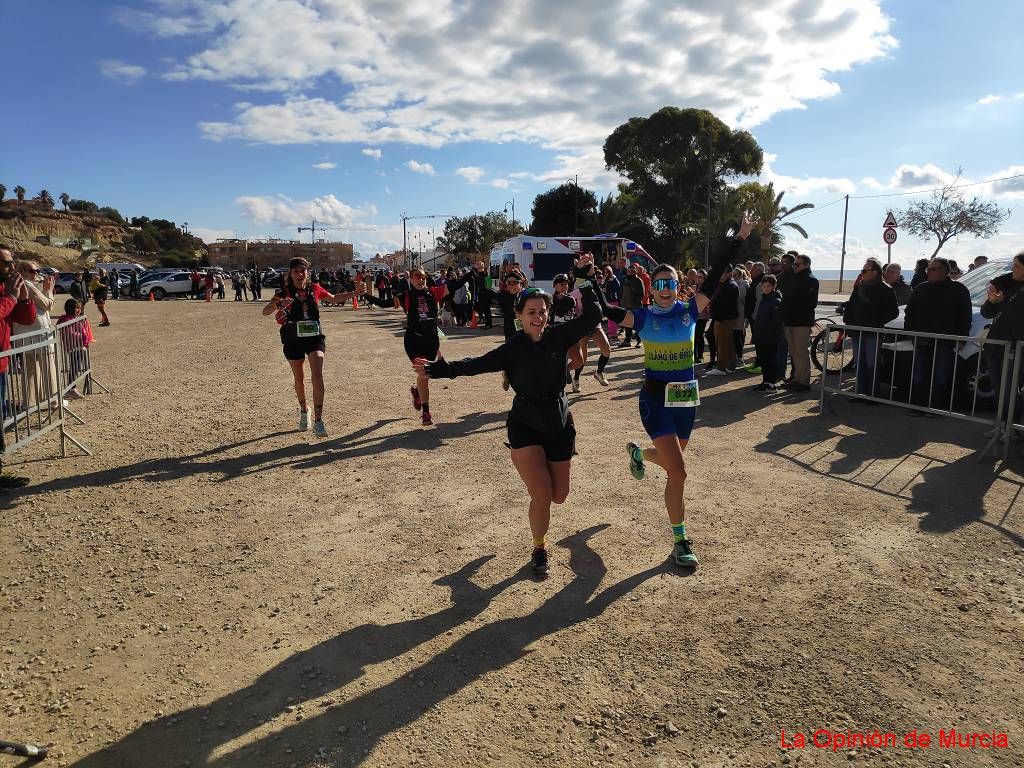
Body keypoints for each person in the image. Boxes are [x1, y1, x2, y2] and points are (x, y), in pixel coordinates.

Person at [416, 254, 603, 576]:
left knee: (559, 496)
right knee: (542, 494)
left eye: (542, 312)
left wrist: (585, 277)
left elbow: (594, 315)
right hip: (526, 424)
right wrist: (443, 370)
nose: (539, 317)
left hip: (559, 422)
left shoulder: (559, 336)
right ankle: (539, 548)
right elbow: (477, 364)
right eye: (531, 312)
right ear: (518, 315)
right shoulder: (513, 347)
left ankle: (539, 537)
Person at [602, 215, 756, 567]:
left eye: (671, 282)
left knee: (672, 462)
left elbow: (717, 273)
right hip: (654, 398)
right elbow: (606, 309)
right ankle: (680, 540)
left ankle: (640, 455)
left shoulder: (690, 310)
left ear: (679, 286)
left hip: (686, 398)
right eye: (659, 283)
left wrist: (739, 239)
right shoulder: (641, 317)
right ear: (651, 288)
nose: (666, 288)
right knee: (680, 472)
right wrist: (584, 283)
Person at [360, 266, 473, 426]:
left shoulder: (434, 292)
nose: (420, 280)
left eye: (422, 277)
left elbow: (454, 285)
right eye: (416, 277)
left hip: (432, 341)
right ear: (410, 279)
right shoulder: (406, 296)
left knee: (427, 375)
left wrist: (471, 274)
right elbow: (384, 303)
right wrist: (364, 295)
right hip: (414, 341)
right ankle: (426, 412)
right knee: (424, 374)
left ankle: (417, 394)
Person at [261, 257, 361, 438]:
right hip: (293, 338)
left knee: (317, 373)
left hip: (314, 337)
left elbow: (334, 298)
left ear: (307, 272)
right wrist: (278, 304)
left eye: (303, 270)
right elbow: (265, 311)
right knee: (299, 378)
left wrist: (354, 293)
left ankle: (318, 420)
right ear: (290, 274)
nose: (300, 274)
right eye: (296, 271)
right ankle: (304, 411)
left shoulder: (314, 288)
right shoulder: (284, 292)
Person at [904, 257, 972, 412]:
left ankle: (936, 407)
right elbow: (910, 312)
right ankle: (918, 406)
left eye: (934, 269)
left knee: (941, 376)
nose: (930, 272)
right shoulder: (921, 288)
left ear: (945, 271)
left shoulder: (959, 290)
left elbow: (965, 316)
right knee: (920, 375)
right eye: (929, 269)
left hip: (945, 341)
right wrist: (911, 333)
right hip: (922, 340)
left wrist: (962, 338)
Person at [0, 248, 37, 488]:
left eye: (13, 263)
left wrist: (22, 297)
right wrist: (11, 298)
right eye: (6, 263)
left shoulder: (6, 289)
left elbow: (26, 319)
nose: (12, 268)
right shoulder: (6, 293)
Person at [841, 257, 899, 400]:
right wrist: (848, 321)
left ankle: (873, 394)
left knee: (872, 363)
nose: (862, 273)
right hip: (857, 331)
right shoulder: (859, 287)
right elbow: (851, 305)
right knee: (859, 363)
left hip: (873, 332)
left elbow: (893, 311)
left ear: (874, 272)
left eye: (864, 270)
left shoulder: (886, 289)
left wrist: (876, 321)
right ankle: (860, 393)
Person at [980, 250, 1024, 425]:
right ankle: (1003, 425)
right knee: (999, 388)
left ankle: (1012, 427)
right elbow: (985, 312)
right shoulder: (1002, 282)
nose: (1012, 268)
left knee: (1012, 390)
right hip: (996, 344)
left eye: (1017, 266)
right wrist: (992, 302)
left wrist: (1003, 302)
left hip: (1017, 346)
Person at [13, 261, 58, 408]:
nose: (36, 274)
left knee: (29, 369)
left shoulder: (15, 284)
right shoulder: (27, 285)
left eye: (37, 271)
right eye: (33, 271)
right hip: (39, 331)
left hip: (23, 333)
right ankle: (53, 399)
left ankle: (31, 401)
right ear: (23, 271)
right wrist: (49, 289)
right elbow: (47, 304)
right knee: (48, 366)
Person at [778, 253, 819, 392]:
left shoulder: (811, 280)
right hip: (790, 319)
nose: (794, 266)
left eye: (797, 264)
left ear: (807, 265)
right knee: (794, 352)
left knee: (801, 351)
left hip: (801, 321)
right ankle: (796, 378)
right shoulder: (792, 277)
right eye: (794, 264)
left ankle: (804, 381)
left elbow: (811, 303)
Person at [751, 274, 784, 390]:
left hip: (769, 337)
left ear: (774, 286)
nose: (765, 289)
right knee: (764, 360)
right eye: (763, 286)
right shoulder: (764, 299)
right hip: (761, 335)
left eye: (768, 286)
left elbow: (776, 322)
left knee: (770, 359)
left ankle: (770, 382)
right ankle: (766, 381)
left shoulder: (775, 301)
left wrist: (765, 332)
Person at [705, 266, 739, 375]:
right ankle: (730, 366)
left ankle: (721, 368)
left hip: (724, 318)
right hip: (722, 317)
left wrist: (718, 317)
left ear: (729, 273)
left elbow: (725, 305)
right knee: (727, 342)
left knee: (722, 343)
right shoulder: (725, 284)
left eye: (722, 273)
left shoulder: (730, 286)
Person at [618, 264, 644, 347]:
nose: (629, 273)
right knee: (627, 325)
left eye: (632, 271)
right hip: (626, 306)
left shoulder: (638, 280)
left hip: (636, 307)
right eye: (628, 271)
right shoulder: (625, 280)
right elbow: (621, 292)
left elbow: (641, 294)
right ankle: (627, 341)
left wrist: (636, 301)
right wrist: (622, 301)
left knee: (637, 325)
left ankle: (639, 341)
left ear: (635, 272)